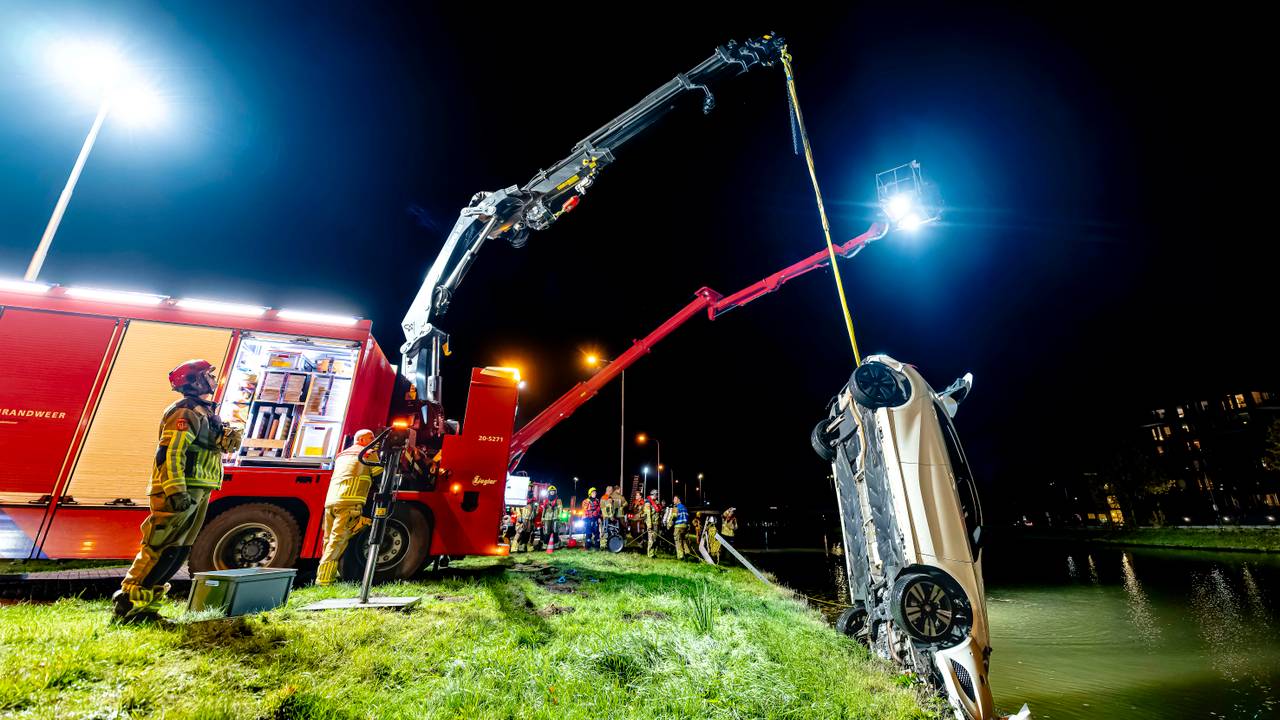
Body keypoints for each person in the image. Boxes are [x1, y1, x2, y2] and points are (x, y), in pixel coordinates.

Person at [112, 359, 243, 622]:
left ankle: (146, 608)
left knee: (178, 550)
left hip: (199, 487)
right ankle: (128, 604)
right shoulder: (184, 412)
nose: (213, 379)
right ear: (196, 381)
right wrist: (175, 489)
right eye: (208, 375)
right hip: (183, 489)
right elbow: (171, 452)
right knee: (159, 547)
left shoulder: (203, 411)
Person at [315, 430, 380, 585]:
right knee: (337, 541)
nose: (374, 440)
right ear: (361, 440)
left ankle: (325, 574)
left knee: (328, 540)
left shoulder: (341, 455)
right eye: (371, 438)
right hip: (350, 501)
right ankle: (324, 580)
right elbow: (379, 475)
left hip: (332, 501)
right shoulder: (368, 453)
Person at [540, 485, 564, 553]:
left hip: (555, 518)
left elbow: (560, 509)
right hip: (547, 518)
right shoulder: (546, 500)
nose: (552, 492)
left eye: (553, 491)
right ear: (549, 492)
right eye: (551, 491)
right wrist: (542, 517)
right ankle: (545, 545)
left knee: (555, 531)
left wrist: (560, 516)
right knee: (547, 532)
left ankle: (556, 545)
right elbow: (544, 510)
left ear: (555, 492)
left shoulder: (558, 500)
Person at [642, 489, 663, 558]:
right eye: (656, 494)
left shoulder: (656, 502)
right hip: (651, 523)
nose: (657, 496)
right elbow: (648, 515)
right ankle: (650, 554)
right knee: (651, 539)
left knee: (655, 539)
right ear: (653, 494)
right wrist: (649, 525)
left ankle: (654, 553)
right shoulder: (648, 503)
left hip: (656, 523)